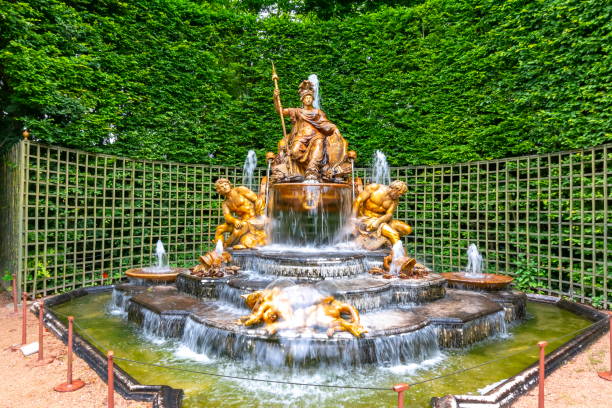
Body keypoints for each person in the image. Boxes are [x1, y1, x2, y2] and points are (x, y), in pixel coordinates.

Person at [271, 79, 351, 182]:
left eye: (310, 97)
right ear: (302, 99)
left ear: (312, 99)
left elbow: (325, 123)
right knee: (294, 152)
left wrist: (334, 128)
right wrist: (275, 97)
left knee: (319, 144)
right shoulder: (297, 111)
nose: (308, 99)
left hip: (316, 136)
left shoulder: (317, 112)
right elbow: (280, 111)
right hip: (300, 137)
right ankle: (304, 171)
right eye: (306, 97)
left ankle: (312, 171)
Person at [352, 180, 413, 249]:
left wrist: (378, 221)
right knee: (394, 234)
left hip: (381, 221)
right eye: (399, 193)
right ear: (395, 189)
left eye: (401, 194)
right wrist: (354, 218)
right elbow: (358, 201)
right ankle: (398, 257)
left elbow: (389, 215)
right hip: (367, 219)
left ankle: (385, 239)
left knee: (408, 229)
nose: (399, 196)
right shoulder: (374, 188)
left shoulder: (395, 200)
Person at [213, 178, 266, 249]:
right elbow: (227, 216)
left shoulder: (240, 190)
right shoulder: (225, 203)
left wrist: (260, 215)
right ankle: (218, 247)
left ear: (229, 185)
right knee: (220, 228)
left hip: (253, 218)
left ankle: (225, 247)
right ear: (219, 191)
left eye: (226, 184)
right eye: (222, 187)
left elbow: (257, 199)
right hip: (242, 220)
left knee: (237, 231)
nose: (225, 187)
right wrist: (234, 221)